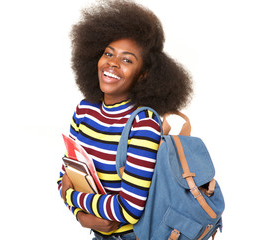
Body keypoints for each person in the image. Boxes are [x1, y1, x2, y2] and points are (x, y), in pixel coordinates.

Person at [57, 0, 192, 239]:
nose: (112, 63)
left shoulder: (143, 123)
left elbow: (129, 210)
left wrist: (72, 198)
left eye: (127, 60)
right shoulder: (83, 111)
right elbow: (65, 177)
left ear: (143, 75)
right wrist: (81, 217)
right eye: (108, 53)